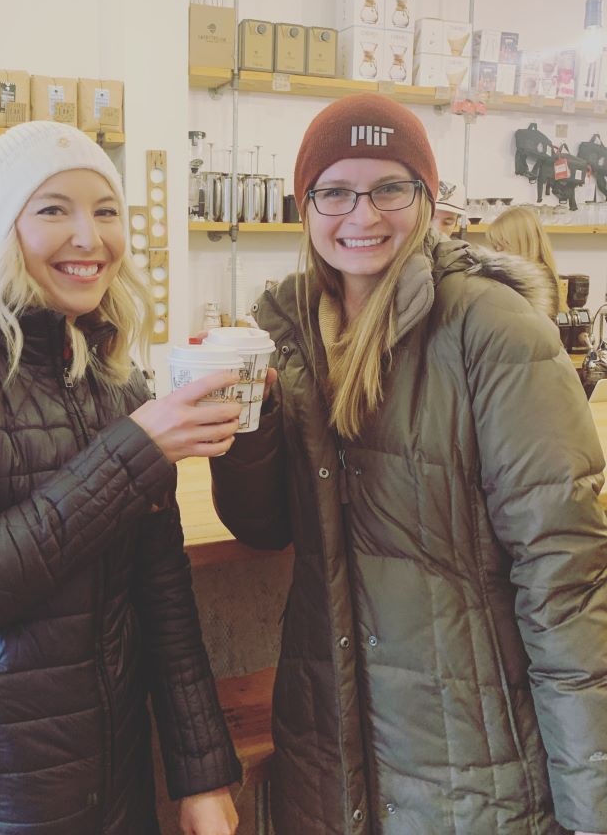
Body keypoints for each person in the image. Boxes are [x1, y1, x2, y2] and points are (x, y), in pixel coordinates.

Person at [210, 95, 607, 835]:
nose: (362, 215)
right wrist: (246, 426)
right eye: (335, 191)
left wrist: (593, 805)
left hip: (467, 763)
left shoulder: (492, 329)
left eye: (389, 188)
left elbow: (564, 578)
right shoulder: (286, 330)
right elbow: (263, 528)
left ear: (426, 199)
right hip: (329, 746)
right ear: (305, 206)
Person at [0, 121, 242, 835]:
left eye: (106, 210)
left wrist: (202, 774)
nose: (89, 237)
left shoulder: (116, 380)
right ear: (2, 229)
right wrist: (133, 452)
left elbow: (162, 596)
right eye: (54, 209)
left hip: (108, 793)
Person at [488, 204, 565, 316]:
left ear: (522, 241)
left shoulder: (535, 282)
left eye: (503, 242)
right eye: (495, 245)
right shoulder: (540, 276)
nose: (498, 250)